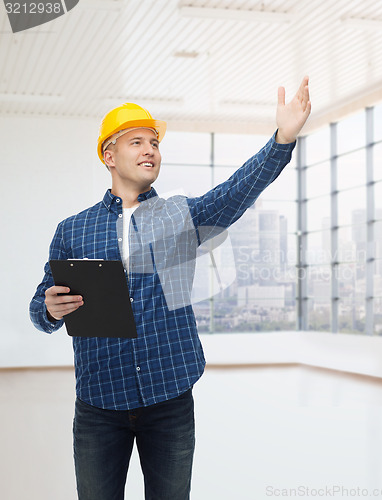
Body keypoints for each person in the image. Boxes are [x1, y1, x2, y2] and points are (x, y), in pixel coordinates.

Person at [29, 77, 311, 500]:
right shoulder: (72, 230)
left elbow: (235, 192)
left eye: (155, 144)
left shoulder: (178, 216)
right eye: (137, 142)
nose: (150, 150)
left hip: (169, 399)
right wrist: (50, 309)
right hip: (98, 405)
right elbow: (40, 307)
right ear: (109, 154)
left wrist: (282, 140)